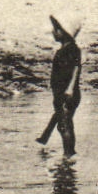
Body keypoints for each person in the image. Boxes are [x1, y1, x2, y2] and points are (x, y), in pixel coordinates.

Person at [34, 12, 83, 154]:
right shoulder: (65, 49)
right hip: (61, 92)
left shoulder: (72, 49)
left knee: (64, 125)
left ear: (63, 32)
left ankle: (69, 155)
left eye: (56, 30)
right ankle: (47, 139)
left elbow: (76, 68)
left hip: (67, 93)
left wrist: (70, 88)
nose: (53, 32)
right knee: (62, 120)